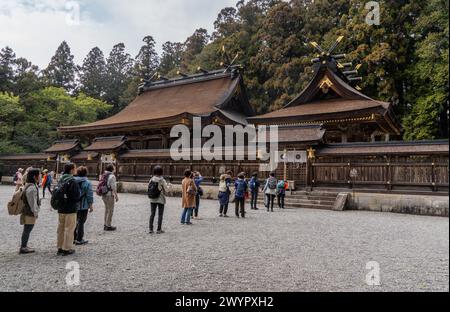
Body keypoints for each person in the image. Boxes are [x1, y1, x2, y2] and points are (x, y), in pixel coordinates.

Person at [56, 163, 81, 256]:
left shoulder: (61, 180)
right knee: (69, 228)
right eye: (75, 168)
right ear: (71, 170)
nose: (75, 170)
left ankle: (60, 247)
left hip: (61, 207)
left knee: (61, 228)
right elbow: (76, 196)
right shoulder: (72, 181)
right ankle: (67, 248)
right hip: (70, 208)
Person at [19, 168, 41, 254]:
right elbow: (32, 203)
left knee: (27, 229)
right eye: (39, 175)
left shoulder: (29, 185)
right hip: (29, 212)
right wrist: (36, 213)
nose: (40, 177)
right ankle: (23, 247)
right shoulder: (32, 188)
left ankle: (24, 246)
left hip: (27, 210)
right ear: (35, 177)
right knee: (27, 229)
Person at [74, 166, 94, 245]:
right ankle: (79, 239)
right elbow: (89, 195)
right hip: (83, 205)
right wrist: (91, 205)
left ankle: (73, 237)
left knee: (74, 221)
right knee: (81, 222)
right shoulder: (87, 182)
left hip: (74, 204)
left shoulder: (73, 181)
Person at [148, 166, 170, 234]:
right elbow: (167, 190)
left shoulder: (151, 179)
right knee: (160, 215)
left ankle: (150, 229)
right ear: (161, 172)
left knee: (152, 214)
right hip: (160, 199)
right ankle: (158, 229)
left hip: (152, 199)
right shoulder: (162, 180)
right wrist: (170, 185)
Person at [101, 164, 119, 231]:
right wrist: (116, 196)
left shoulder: (104, 175)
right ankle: (108, 225)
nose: (115, 169)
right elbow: (113, 187)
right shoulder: (112, 176)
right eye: (114, 168)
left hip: (104, 194)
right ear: (112, 169)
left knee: (106, 209)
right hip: (109, 194)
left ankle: (105, 224)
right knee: (110, 210)